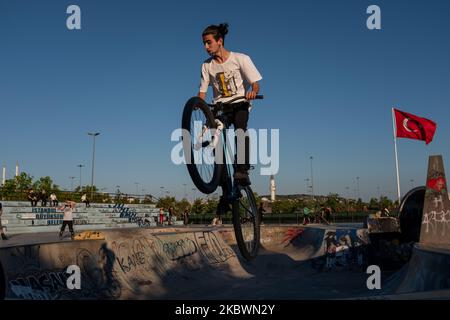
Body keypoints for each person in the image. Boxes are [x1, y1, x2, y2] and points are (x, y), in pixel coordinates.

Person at [197, 23, 263, 216]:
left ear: (220, 41)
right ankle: (226, 191)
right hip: (220, 107)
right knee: (218, 147)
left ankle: (241, 171)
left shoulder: (240, 59)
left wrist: (252, 92)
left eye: (208, 42)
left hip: (240, 104)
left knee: (240, 131)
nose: (206, 47)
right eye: (203, 43)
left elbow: (255, 84)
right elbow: (202, 92)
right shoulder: (206, 66)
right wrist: (198, 106)